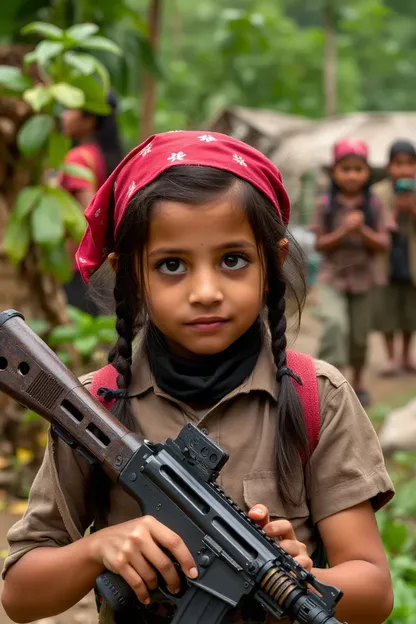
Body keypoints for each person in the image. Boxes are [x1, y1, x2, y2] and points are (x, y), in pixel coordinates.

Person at [2, 132, 394, 624]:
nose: (206, 291)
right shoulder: (94, 406)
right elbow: (19, 594)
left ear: (269, 264)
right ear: (131, 276)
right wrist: (100, 548)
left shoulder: (318, 396)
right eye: (171, 265)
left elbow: (375, 591)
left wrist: (296, 579)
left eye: (233, 260)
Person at [310, 139, 389, 407]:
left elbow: (383, 244)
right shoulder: (325, 204)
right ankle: (326, 383)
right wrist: (344, 230)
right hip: (332, 277)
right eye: (346, 168)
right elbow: (319, 245)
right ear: (334, 171)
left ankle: (358, 381)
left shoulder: (375, 204)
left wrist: (362, 231)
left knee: (359, 334)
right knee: (335, 324)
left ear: (367, 173)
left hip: (365, 279)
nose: (352, 174)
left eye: (358, 168)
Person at [60, 90, 124, 315]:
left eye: (70, 110)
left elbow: (88, 217)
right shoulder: (107, 157)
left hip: (75, 266)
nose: (64, 116)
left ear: (90, 119)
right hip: (100, 266)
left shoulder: (77, 158)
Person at [373, 140, 416, 376]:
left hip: (411, 261)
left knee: (410, 311)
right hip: (387, 260)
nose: (404, 170)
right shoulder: (379, 192)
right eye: (398, 164)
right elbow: (380, 225)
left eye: (409, 164)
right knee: (387, 311)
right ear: (390, 167)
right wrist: (398, 210)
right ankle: (390, 357)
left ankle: (406, 356)